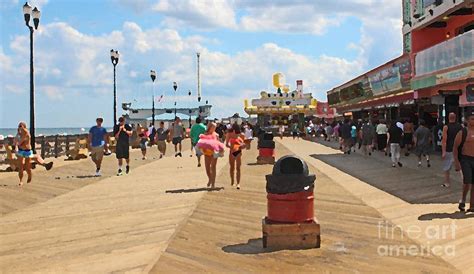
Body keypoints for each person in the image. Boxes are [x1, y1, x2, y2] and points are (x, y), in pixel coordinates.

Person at [453, 108, 474, 212]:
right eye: (472, 119)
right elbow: (455, 148)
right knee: (467, 182)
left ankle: (472, 205)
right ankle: (463, 200)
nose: (473, 121)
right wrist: (456, 162)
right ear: (466, 120)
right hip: (466, 159)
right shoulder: (463, 132)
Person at [441, 113, 462, 187]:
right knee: (460, 167)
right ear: (455, 117)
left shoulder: (446, 127)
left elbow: (444, 140)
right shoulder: (460, 126)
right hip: (458, 149)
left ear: (448, 118)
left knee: (446, 167)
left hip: (449, 149)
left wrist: (443, 152)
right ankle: (465, 182)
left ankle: (447, 183)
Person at [226, 123, 246, 190]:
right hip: (235, 151)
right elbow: (226, 144)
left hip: (235, 151)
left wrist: (239, 146)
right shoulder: (230, 134)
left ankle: (237, 183)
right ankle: (233, 181)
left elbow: (244, 144)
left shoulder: (241, 135)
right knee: (234, 168)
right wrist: (232, 147)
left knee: (235, 168)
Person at [202, 122, 221, 188]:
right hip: (207, 152)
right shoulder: (205, 134)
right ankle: (210, 178)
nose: (214, 128)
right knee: (207, 168)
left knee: (213, 167)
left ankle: (213, 183)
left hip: (214, 152)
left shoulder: (216, 135)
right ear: (209, 127)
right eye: (213, 127)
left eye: (215, 127)